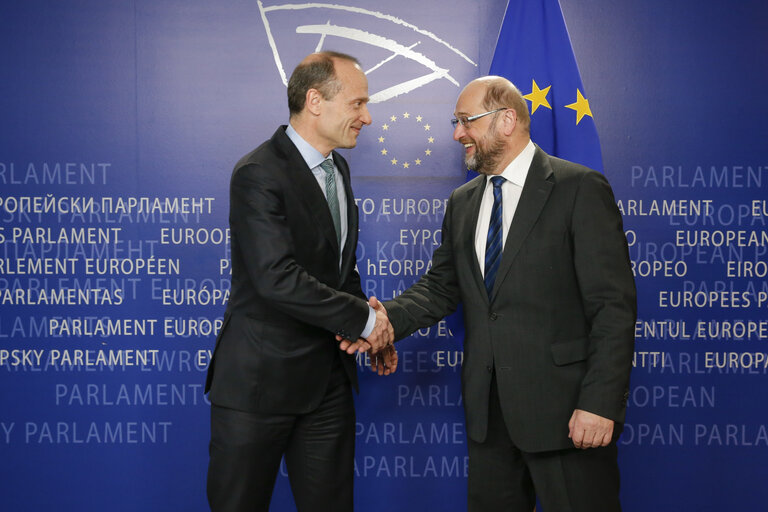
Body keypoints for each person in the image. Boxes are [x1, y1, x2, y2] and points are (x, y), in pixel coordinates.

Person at [343, 76, 636, 511]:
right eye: (455, 122)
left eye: (465, 121)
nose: (457, 133)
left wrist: (598, 404)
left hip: (568, 415)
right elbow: (440, 289)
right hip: (488, 419)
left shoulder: (579, 189)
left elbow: (612, 308)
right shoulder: (463, 202)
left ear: (507, 121)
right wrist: (378, 322)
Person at [205, 51, 397, 512]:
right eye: (357, 103)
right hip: (259, 386)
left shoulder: (337, 170)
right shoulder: (258, 173)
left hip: (327, 384)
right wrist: (364, 321)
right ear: (315, 100)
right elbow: (277, 277)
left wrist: (370, 332)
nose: (367, 117)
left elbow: (337, 269)